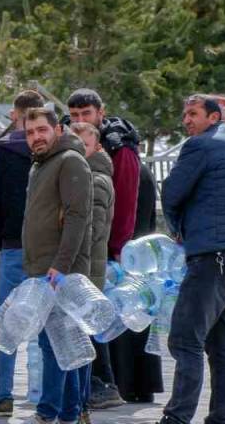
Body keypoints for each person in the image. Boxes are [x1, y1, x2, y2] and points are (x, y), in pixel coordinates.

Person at [158, 95, 225, 424]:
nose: (187, 120)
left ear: (214, 117)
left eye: (193, 114)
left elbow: (171, 193)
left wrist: (177, 229)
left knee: (185, 338)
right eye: (184, 114)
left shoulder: (200, 146)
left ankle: (176, 418)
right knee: (221, 343)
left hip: (211, 255)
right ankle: (220, 418)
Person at [67, 89, 142, 410]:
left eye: (86, 114)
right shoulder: (70, 144)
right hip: (82, 249)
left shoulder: (118, 147)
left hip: (106, 250)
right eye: (75, 116)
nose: (81, 121)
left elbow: (124, 204)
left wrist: (116, 249)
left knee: (97, 320)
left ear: (101, 112)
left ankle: (104, 384)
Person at [22, 108, 92, 424]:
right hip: (43, 268)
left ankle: (48, 412)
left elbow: (78, 217)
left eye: (41, 130)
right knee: (60, 345)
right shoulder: (41, 165)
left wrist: (60, 265)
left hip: (60, 271)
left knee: (54, 345)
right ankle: (69, 412)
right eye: (30, 132)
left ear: (56, 131)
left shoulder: (70, 162)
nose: (36, 137)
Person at [0, 89, 45, 416]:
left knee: (8, 322)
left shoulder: (3, 151)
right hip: (46, 249)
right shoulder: (52, 148)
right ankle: (43, 393)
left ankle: (4, 392)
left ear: (16, 114)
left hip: (12, 244)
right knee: (45, 321)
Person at [71, 121, 117, 418]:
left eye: (83, 146)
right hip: (87, 270)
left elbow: (93, 230)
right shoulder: (85, 176)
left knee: (81, 338)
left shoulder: (96, 180)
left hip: (88, 271)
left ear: (97, 147)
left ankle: (86, 395)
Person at [110, 166, 163, 403]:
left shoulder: (122, 171)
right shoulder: (142, 171)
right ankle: (145, 385)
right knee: (141, 319)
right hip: (144, 254)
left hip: (126, 254)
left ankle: (126, 384)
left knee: (126, 319)